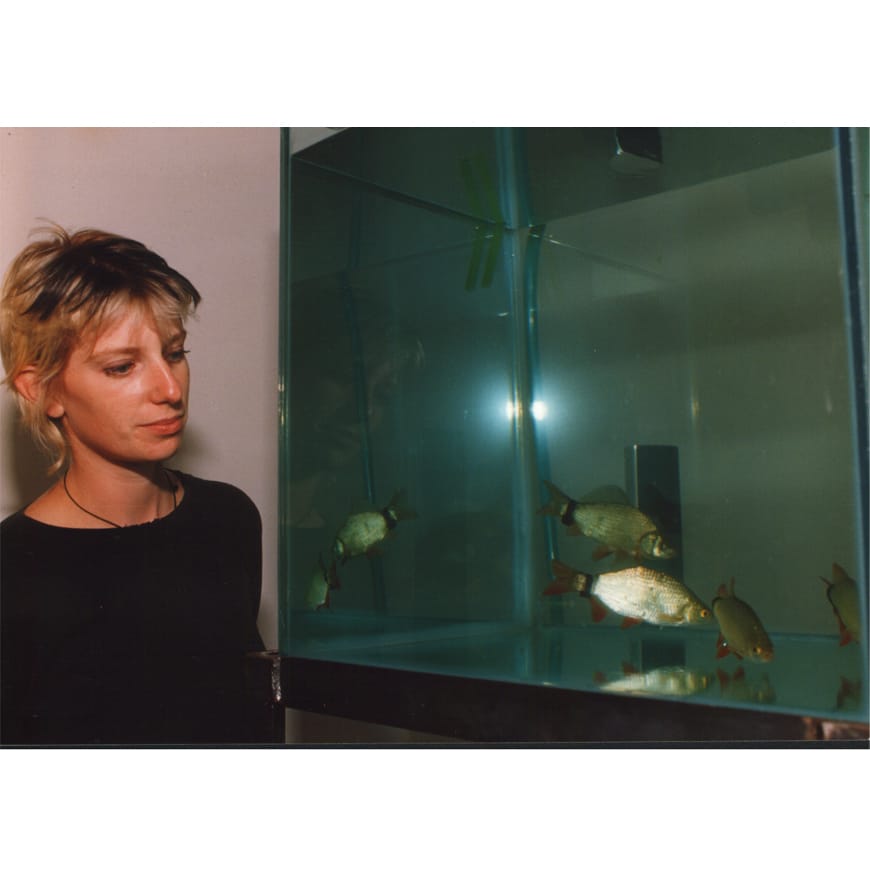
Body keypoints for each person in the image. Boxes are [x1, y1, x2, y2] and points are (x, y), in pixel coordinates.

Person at [0, 225, 269, 745]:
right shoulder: (13, 569)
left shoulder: (229, 517)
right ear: (42, 390)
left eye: (175, 353)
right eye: (122, 367)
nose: (169, 390)